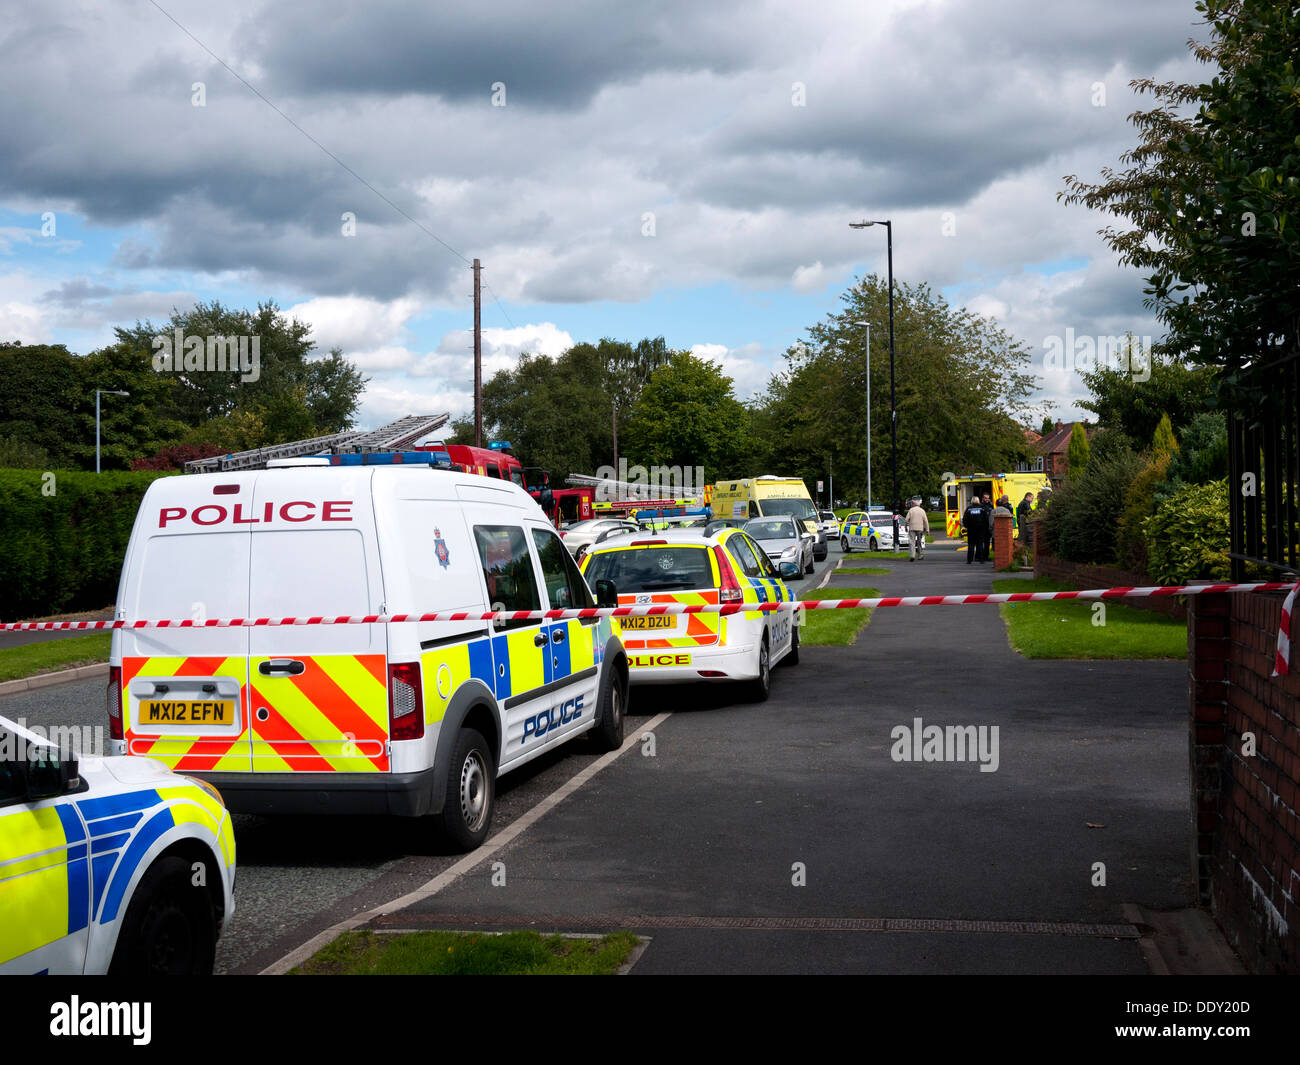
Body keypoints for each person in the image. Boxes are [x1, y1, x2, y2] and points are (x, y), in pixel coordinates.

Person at [961, 495, 985, 565]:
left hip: (971, 530)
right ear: (978, 501)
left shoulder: (968, 509)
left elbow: (965, 519)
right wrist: (985, 528)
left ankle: (969, 560)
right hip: (980, 530)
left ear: (972, 501)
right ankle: (981, 559)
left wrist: (966, 526)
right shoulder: (982, 509)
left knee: (971, 545)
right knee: (980, 545)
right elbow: (985, 519)